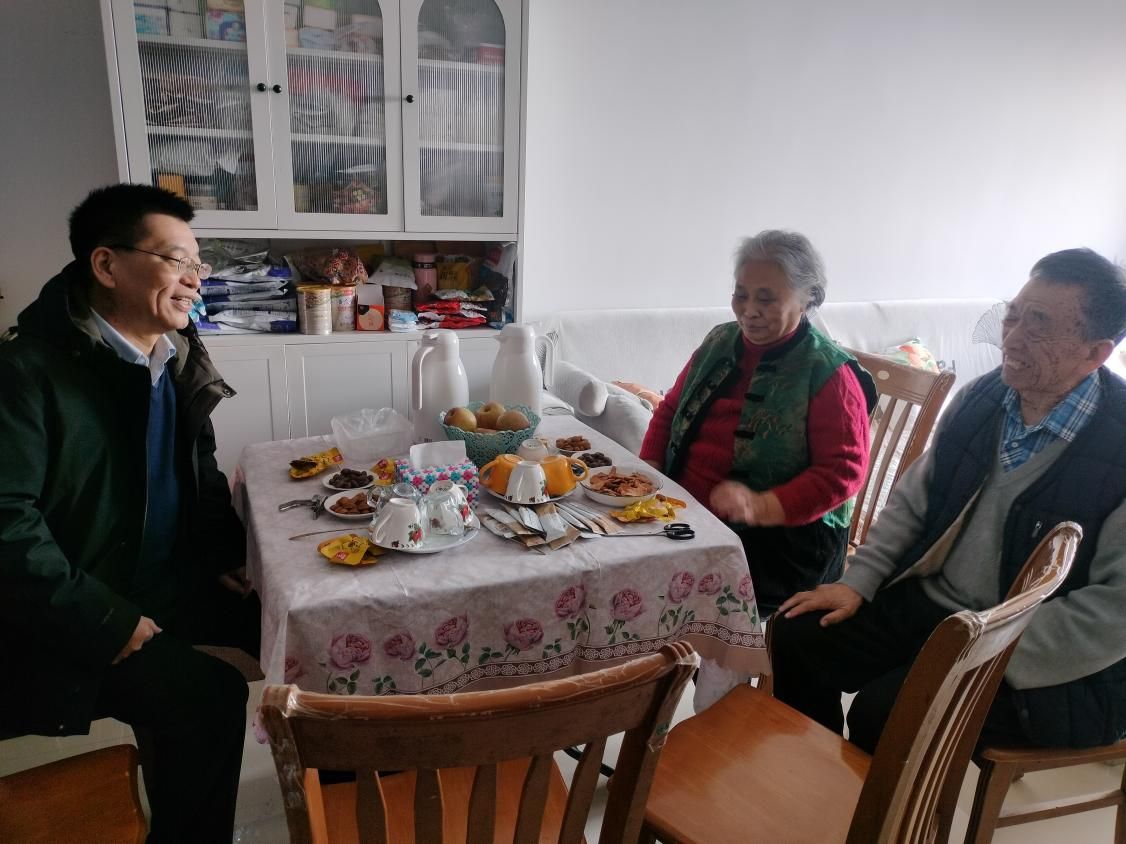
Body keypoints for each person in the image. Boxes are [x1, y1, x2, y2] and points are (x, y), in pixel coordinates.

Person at [772, 247, 1126, 754]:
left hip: (1045, 658)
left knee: (886, 712)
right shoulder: (983, 398)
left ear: (1095, 353)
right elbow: (913, 500)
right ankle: (810, 774)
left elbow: (1115, 612)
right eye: (1013, 315)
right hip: (941, 611)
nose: (1013, 337)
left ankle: (874, 804)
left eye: (1039, 324)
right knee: (796, 635)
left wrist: (987, 644)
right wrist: (858, 582)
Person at [0, 184, 260, 842]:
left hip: (166, 577)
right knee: (208, 699)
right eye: (175, 260)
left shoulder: (173, 353)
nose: (195, 280)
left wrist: (224, 553)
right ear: (107, 265)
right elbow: (7, 528)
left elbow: (199, 466)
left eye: (198, 264)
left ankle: (341, 793)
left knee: (301, 620)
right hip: (76, 606)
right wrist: (107, 621)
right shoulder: (27, 374)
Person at [640, 230, 876, 614]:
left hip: (779, 546)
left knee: (654, 597)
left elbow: (843, 472)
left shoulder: (828, 373)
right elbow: (670, 408)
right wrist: (648, 471)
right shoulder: (720, 340)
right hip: (684, 515)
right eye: (741, 294)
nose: (749, 309)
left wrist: (760, 506)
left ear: (807, 299)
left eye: (766, 298)